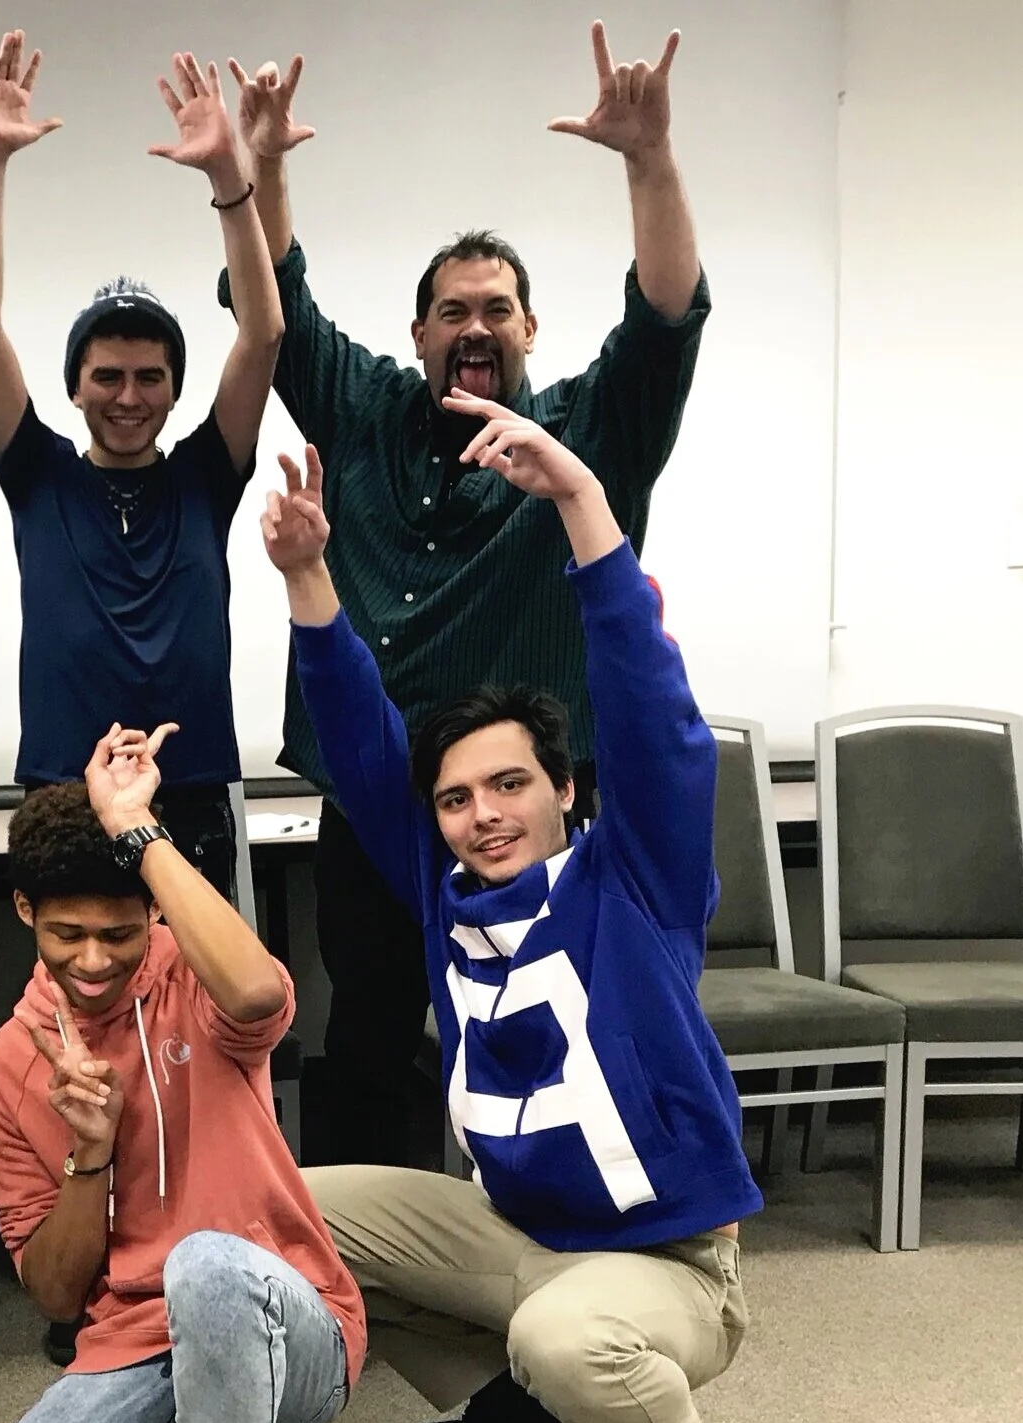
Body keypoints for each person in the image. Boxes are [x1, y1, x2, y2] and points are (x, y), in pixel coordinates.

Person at [264, 400, 756, 1423]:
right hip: (521, 1231)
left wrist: (581, 503)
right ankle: (526, 1387)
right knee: (278, 1208)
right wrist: (310, 574)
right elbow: (360, 736)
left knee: (567, 1336)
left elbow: (652, 709)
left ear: (565, 788)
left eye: (510, 784)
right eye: (456, 797)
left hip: (670, 1262)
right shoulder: (448, 892)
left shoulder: (634, 876)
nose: (483, 813)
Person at [222, 23, 709, 1166]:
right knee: (370, 1034)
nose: (475, 326)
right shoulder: (366, 410)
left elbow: (666, 317)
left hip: (526, 806)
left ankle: (553, 1214)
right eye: (453, 311)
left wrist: (649, 161)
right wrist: (263, 170)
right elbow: (276, 305)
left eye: (497, 308)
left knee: (549, 1027)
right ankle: (376, 1248)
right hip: (379, 800)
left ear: (530, 330)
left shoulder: (587, 431)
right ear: (421, 335)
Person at [0, 728, 365, 1423]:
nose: (93, 960)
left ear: (152, 914)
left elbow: (257, 996)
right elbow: (54, 1294)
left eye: (118, 933)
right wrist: (89, 1154)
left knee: (205, 1266)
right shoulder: (4, 1069)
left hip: (287, 1330)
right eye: (66, 934)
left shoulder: (194, 978)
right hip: (133, 1348)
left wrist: (135, 825)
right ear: (25, 911)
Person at [0, 31, 284, 900]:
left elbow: (263, 334)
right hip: (66, 786)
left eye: (150, 377)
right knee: (75, 979)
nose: (129, 396)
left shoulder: (205, 476)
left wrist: (229, 179)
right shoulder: (39, 474)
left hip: (191, 785)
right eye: (107, 376)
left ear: (175, 388)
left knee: (205, 985)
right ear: (74, 386)